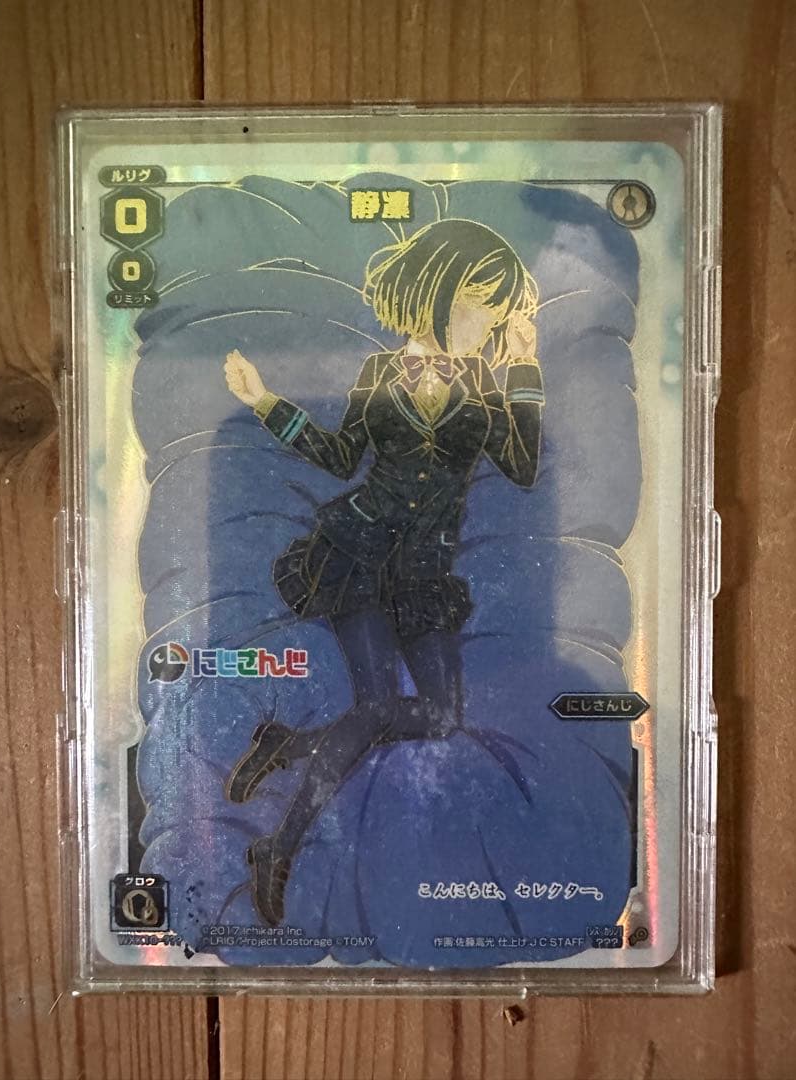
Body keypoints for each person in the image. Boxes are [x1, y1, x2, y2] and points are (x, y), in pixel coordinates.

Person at [222, 218, 545, 927]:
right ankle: (278, 848)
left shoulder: (486, 390)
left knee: (441, 717)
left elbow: (522, 469)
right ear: (438, 290)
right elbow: (342, 458)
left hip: (425, 571)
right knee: (373, 707)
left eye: (498, 313)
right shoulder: (377, 375)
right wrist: (264, 402)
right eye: (481, 304)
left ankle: (285, 745)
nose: (488, 325)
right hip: (358, 554)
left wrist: (525, 368)